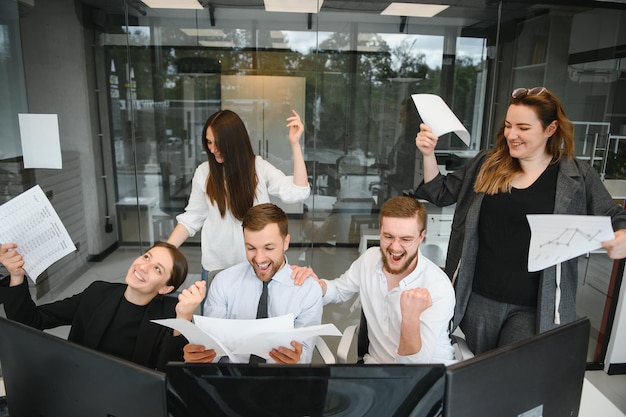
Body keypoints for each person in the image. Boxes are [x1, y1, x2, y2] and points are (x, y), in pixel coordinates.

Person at [414, 86, 626, 355]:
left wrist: (621, 236)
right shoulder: (487, 164)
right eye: (508, 126)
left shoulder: (576, 176)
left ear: (550, 129)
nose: (511, 135)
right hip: (477, 298)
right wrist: (428, 154)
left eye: (523, 128)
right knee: (479, 371)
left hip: (534, 307)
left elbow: (614, 216)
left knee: (511, 374)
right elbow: (440, 193)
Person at [166, 109, 310, 298]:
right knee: (214, 326)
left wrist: (295, 144)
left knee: (255, 324)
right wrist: (166, 250)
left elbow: (297, 192)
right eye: (209, 142)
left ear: (234, 143)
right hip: (216, 267)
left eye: (218, 143)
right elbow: (192, 218)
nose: (212, 149)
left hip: (256, 266)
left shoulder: (258, 168)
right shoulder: (204, 172)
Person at [295, 196, 456, 364]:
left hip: (428, 377)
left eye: (406, 239)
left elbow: (414, 367)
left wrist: (410, 317)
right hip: (376, 368)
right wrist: (317, 285)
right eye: (388, 236)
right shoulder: (370, 259)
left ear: (421, 237)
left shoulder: (438, 287)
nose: (395, 247)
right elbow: (339, 291)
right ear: (380, 230)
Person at [0, 241, 206, 371]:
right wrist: (17, 276)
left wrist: (183, 319)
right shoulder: (98, 293)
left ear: (165, 289)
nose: (143, 267)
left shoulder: (172, 315)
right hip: (81, 387)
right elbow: (30, 320)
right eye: (146, 257)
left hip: (133, 401)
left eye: (157, 269)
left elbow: (169, 374)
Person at [182, 203, 323, 364]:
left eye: (269, 248)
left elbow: (305, 354)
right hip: (233, 378)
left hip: (282, 378)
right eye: (251, 248)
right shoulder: (223, 282)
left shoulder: (307, 289)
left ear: (286, 242)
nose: (259, 258)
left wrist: (296, 358)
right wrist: (201, 356)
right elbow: (213, 347)